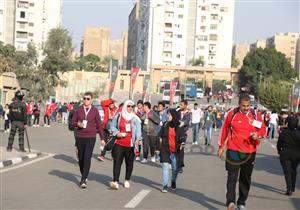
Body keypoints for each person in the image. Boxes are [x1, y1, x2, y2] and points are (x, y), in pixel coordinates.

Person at [218, 93, 266, 210]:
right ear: (239, 104)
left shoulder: (255, 115)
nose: (245, 108)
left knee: (245, 178)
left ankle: (241, 202)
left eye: (247, 106)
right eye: (243, 106)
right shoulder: (232, 114)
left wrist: (257, 134)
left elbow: (263, 129)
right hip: (233, 150)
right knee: (232, 177)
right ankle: (230, 202)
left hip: (249, 152)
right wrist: (221, 146)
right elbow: (224, 130)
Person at [71, 92, 105, 188]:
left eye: (88, 99)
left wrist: (102, 138)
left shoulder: (94, 110)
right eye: (84, 98)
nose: (86, 100)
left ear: (91, 100)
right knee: (81, 158)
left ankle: (83, 179)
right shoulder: (79, 110)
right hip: (80, 136)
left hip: (91, 137)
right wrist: (78, 124)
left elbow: (99, 125)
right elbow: (72, 122)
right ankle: (84, 175)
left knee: (87, 157)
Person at [109, 100, 142, 190]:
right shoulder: (119, 116)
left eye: (132, 106)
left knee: (129, 163)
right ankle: (115, 181)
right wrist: (117, 133)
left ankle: (127, 180)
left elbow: (139, 131)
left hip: (130, 145)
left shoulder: (135, 118)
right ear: (125, 107)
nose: (130, 108)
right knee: (117, 163)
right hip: (119, 143)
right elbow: (112, 126)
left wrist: (138, 139)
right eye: (128, 106)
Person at [159, 109, 185, 193]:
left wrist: (182, 143)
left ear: (174, 116)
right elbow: (159, 136)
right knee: (165, 167)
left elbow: (182, 137)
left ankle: (173, 180)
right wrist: (157, 147)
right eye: (167, 115)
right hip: (165, 150)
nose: (167, 116)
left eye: (169, 115)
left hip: (176, 151)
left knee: (175, 168)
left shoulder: (179, 126)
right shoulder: (165, 125)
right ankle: (165, 185)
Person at [277, 116, 300, 196]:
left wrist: (279, 151)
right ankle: (292, 187)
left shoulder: (283, 132)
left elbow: (279, 143)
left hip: (285, 153)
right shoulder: (298, 133)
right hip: (297, 154)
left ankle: (289, 188)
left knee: (287, 171)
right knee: (293, 170)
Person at [177, 100, 191, 173]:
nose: (180, 106)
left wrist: (178, 121)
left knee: (181, 149)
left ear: (186, 105)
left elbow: (186, 122)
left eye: (182, 104)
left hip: (183, 134)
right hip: (176, 133)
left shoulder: (188, 113)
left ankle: (180, 166)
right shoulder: (178, 111)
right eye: (180, 104)